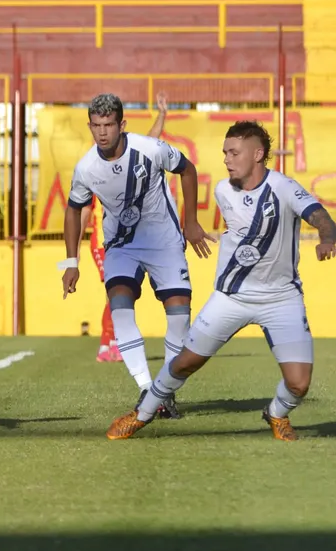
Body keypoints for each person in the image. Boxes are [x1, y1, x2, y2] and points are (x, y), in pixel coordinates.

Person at [107, 121, 335, 441]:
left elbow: (320, 215)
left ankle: (276, 413)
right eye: (225, 152)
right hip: (231, 297)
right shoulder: (222, 190)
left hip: (281, 298)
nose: (226, 159)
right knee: (185, 363)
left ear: (258, 154)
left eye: (234, 152)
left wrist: (327, 237)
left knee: (299, 384)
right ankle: (142, 414)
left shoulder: (283, 187)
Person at [61, 93, 215, 419]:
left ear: (122, 125)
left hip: (164, 242)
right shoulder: (86, 168)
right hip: (120, 246)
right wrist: (71, 262)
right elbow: (73, 210)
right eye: (96, 126)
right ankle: (147, 389)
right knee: (119, 305)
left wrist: (190, 223)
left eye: (109, 125)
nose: (102, 133)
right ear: (90, 126)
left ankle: (166, 391)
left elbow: (187, 170)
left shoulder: (150, 149)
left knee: (178, 315)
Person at [84, 93, 169, 363]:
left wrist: (162, 115)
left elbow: (149, 144)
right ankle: (109, 344)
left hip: (123, 242)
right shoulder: (96, 166)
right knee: (117, 290)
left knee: (122, 291)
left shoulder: (128, 162)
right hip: (102, 242)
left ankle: (111, 343)